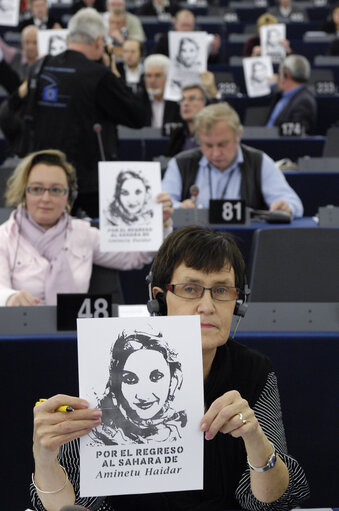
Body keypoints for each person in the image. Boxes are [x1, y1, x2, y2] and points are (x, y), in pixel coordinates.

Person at [30, 225, 310, 510]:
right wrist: (44, 458)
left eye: (222, 290)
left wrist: (255, 439)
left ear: (238, 302)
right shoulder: (111, 361)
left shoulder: (253, 370)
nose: (207, 305)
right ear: (159, 298)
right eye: (190, 289)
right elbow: (71, 504)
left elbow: (273, 500)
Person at [0, 7, 148, 218]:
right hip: (87, 187)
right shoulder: (101, 76)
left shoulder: (41, 67)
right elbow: (138, 116)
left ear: (68, 37)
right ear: (99, 41)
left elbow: (14, 108)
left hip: (43, 181)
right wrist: (115, 73)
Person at [0, 149, 173, 307]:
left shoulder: (83, 233)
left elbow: (136, 256)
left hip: (75, 333)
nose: (46, 198)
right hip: (23, 329)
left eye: (56, 190)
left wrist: (159, 224)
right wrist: (10, 298)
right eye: (37, 189)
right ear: (24, 192)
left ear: (69, 195)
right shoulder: (4, 237)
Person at [162, 102, 304, 216]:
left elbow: (294, 203)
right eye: (208, 145)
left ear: (238, 135)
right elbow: (162, 203)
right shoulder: (181, 163)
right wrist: (179, 207)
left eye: (222, 144)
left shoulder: (259, 162)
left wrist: (285, 207)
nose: (216, 153)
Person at [89, 330, 187, 445]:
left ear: (173, 380)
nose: (143, 396)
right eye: (130, 380)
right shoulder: (95, 433)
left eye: (156, 377)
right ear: (115, 384)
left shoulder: (182, 424)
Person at [266, 55, 317, 135]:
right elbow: (275, 88)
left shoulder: (304, 102)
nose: (277, 78)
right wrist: (272, 84)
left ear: (286, 74)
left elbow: (294, 137)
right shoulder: (282, 93)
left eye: (279, 74)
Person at [154, 9, 221, 64]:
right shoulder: (164, 40)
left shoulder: (200, 40)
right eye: (183, 25)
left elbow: (210, 64)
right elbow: (156, 61)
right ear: (175, 24)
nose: (186, 29)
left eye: (189, 26)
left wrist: (213, 51)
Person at [140, 53, 181, 133]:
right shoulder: (138, 101)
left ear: (168, 77)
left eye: (157, 75)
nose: (152, 81)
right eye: (148, 76)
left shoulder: (178, 102)